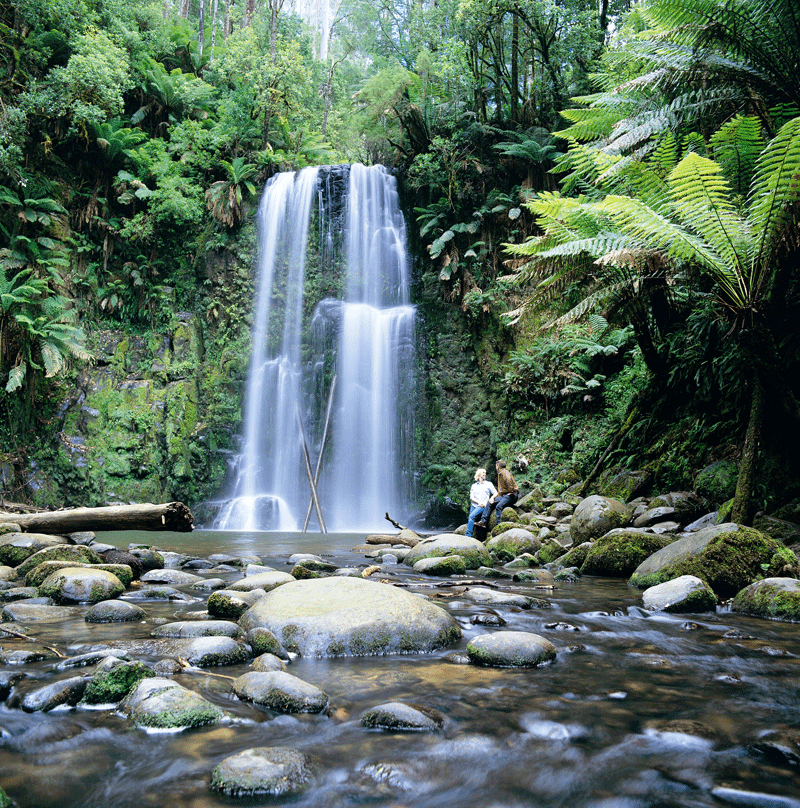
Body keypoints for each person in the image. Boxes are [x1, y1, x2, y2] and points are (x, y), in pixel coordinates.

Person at [476, 460, 519, 528]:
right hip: (504, 495)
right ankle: (483, 522)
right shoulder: (501, 473)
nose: (495, 467)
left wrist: (511, 492)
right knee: (490, 502)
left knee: (499, 506)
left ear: (498, 466)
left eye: (496, 466)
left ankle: (498, 525)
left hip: (511, 495)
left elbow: (510, 484)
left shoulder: (505, 473)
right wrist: (493, 498)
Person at [466, 467, 496, 537]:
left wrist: (492, 497)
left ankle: (468, 535)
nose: (485, 474)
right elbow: (471, 497)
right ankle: (474, 536)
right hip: (474, 505)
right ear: (479, 474)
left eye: (485, 473)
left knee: (471, 516)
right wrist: (478, 502)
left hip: (483, 505)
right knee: (471, 519)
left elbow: (495, 493)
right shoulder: (474, 486)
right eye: (483, 472)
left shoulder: (488, 484)